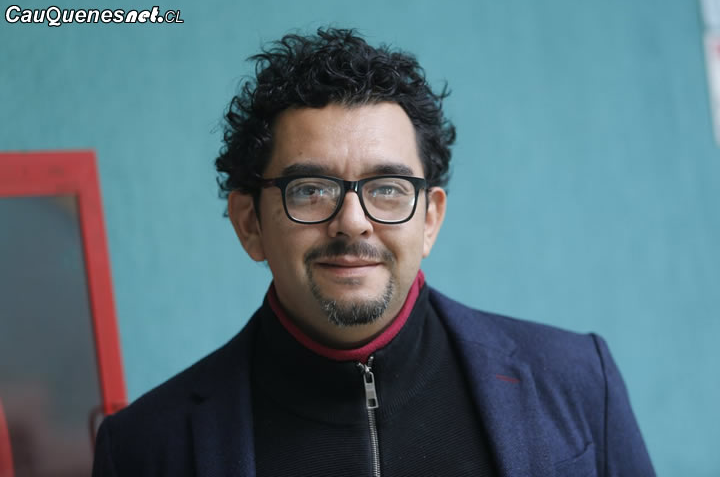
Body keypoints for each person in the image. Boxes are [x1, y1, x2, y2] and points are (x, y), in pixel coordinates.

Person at [92, 28, 655, 476]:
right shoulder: (145, 448)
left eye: (387, 188)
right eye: (310, 190)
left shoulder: (579, 380)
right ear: (250, 223)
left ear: (430, 219)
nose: (353, 222)